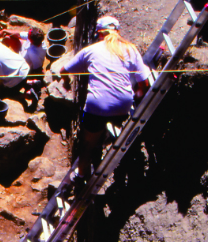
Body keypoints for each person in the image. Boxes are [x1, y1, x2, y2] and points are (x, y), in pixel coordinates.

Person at [60, 17, 150, 179]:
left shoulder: (91, 50)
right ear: (118, 32)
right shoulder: (131, 49)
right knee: (111, 119)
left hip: (97, 106)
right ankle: (106, 131)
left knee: (87, 144)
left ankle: (81, 174)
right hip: (123, 106)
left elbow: (64, 70)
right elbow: (144, 81)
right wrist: (138, 94)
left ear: (98, 33)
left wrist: (66, 82)